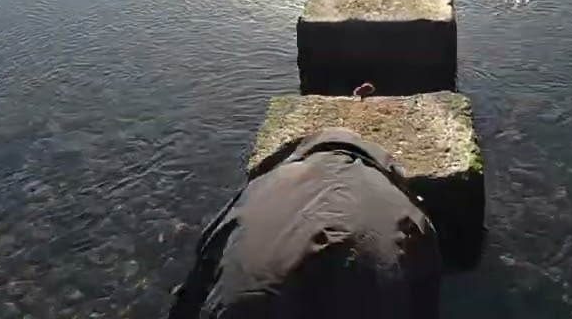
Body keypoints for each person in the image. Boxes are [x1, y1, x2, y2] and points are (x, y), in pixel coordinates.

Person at [166, 128, 442, 319]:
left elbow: (201, 269)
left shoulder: (263, 186)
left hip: (245, 306)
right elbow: (425, 298)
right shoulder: (404, 206)